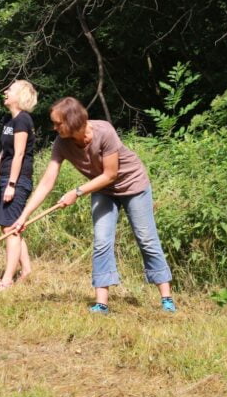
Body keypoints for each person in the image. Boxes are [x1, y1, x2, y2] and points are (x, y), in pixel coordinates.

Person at [10, 97, 176, 313]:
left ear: (72, 121)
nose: (54, 127)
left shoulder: (103, 131)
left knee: (146, 238)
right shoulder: (62, 143)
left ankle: (167, 299)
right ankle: (102, 303)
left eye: (58, 123)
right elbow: (47, 181)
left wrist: (76, 192)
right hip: (103, 190)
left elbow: (110, 174)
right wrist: (24, 216)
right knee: (102, 241)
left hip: (133, 185)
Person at [0, 80, 38, 289]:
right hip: (6, 174)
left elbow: (19, 153)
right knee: (8, 226)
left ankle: (8, 279)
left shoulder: (23, 120)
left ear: (21, 96)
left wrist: (12, 184)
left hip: (17, 178)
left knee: (11, 229)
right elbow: (7, 149)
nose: (5, 92)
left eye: (11, 90)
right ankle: (26, 270)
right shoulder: (10, 120)